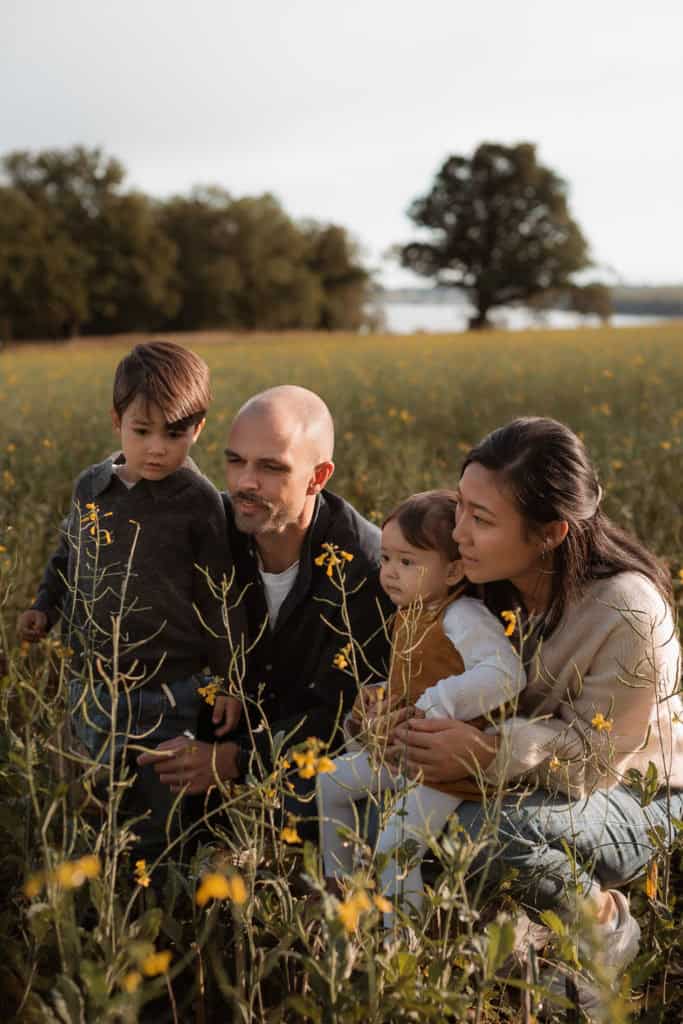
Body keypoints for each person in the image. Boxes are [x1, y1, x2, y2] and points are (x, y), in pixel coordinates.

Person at [388, 417, 683, 1012]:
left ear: (549, 532)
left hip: (642, 794)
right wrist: (396, 712)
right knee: (413, 815)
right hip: (530, 782)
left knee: (479, 832)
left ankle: (604, 930)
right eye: (462, 507)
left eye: (483, 520)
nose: (459, 532)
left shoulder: (628, 613)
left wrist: (488, 753)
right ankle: (518, 940)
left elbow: (597, 761)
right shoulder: (483, 584)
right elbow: (442, 679)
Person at [17, 341, 242, 857]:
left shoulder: (200, 503)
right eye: (142, 432)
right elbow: (69, 556)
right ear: (116, 420)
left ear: (199, 429)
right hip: (96, 681)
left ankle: (154, 887)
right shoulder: (92, 488)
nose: (158, 448)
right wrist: (44, 606)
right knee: (95, 795)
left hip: (171, 688)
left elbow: (221, 598)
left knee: (156, 813)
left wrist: (230, 679)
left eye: (175, 433)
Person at [138, 386, 392, 835]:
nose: (244, 483)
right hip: (217, 737)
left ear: (318, 477)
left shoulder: (368, 567)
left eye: (271, 467)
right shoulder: (211, 533)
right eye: (235, 461)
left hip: (317, 770)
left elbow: (347, 713)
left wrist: (235, 760)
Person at [317, 490, 524, 922]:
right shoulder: (411, 612)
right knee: (328, 784)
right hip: (408, 753)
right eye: (388, 558)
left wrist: (438, 702)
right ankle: (341, 895)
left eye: (408, 562)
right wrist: (378, 696)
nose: (390, 573)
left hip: (447, 766)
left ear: (452, 571)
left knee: (398, 848)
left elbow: (506, 673)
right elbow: (417, 677)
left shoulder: (461, 614)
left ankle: (400, 944)